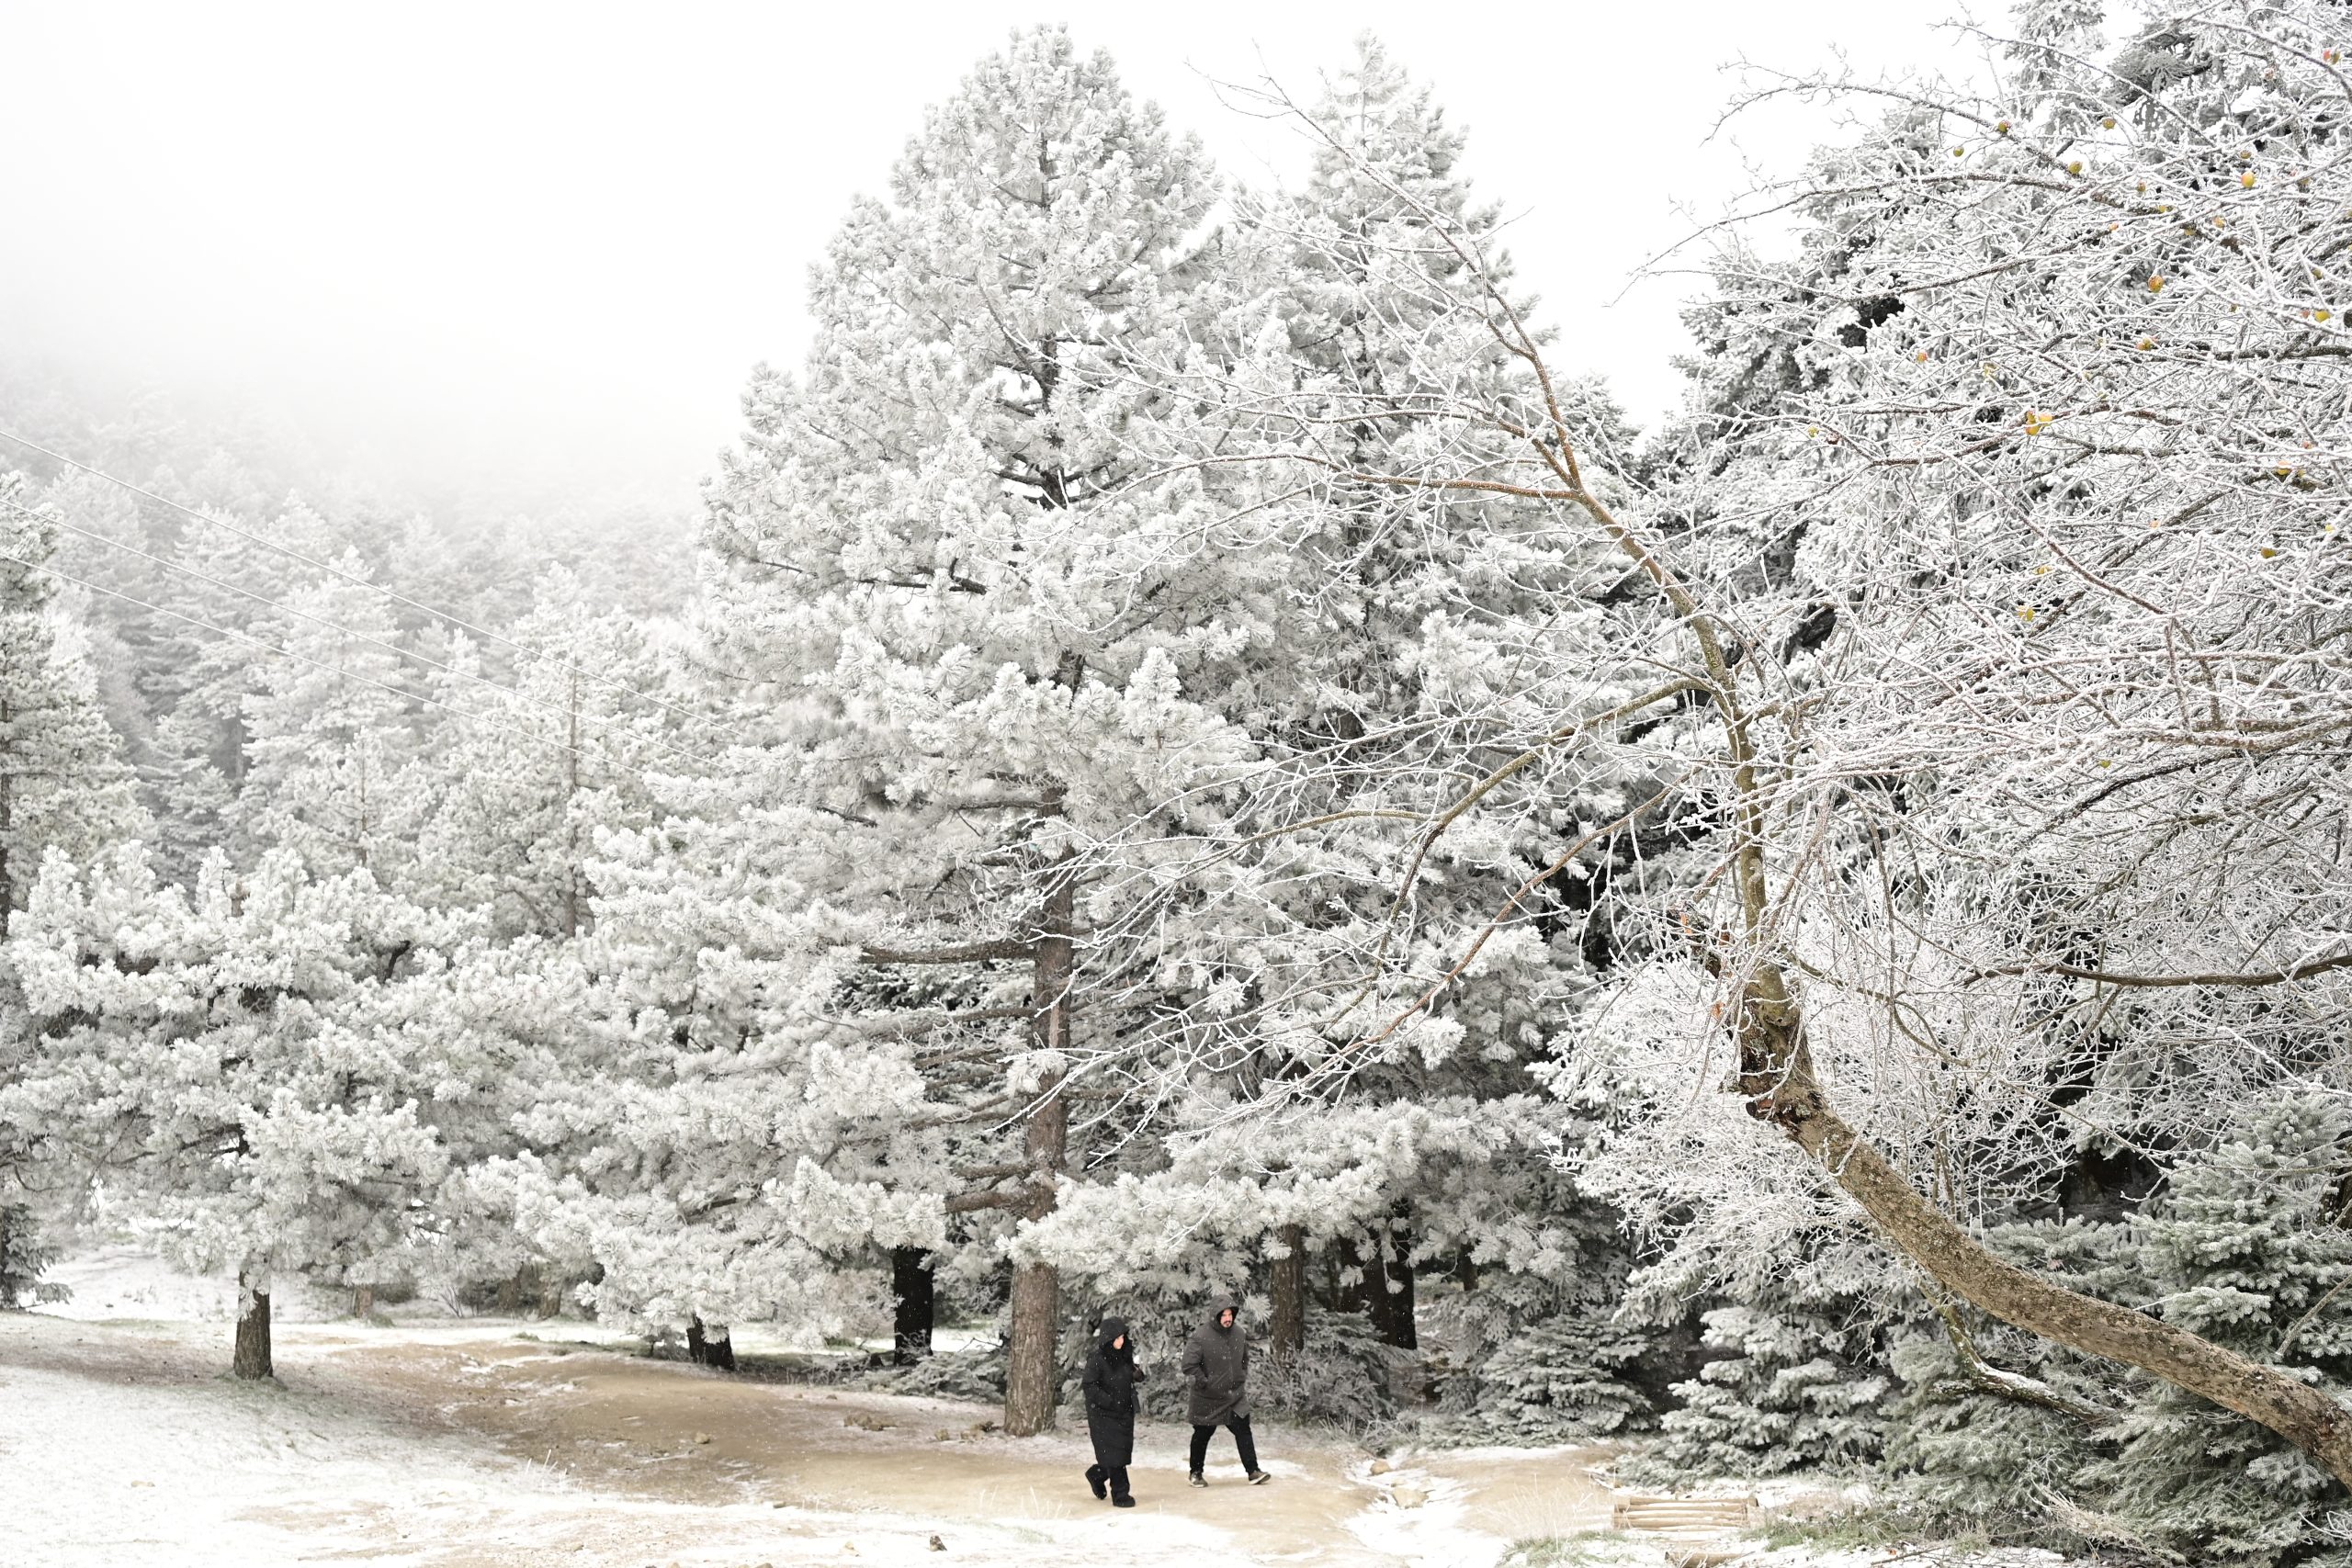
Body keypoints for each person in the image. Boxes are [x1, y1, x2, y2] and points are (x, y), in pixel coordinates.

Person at [1182, 1297, 1268, 1486]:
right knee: (1202, 1434)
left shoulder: (1239, 1333)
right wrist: (1204, 1382)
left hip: (1234, 1395)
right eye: (1224, 1315)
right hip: (1208, 1396)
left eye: (1231, 1314)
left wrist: (1241, 1376)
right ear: (1216, 1316)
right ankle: (1195, 1473)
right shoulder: (1201, 1336)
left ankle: (1253, 1471)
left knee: (1243, 1429)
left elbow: (1244, 1359)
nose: (1228, 1318)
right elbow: (1188, 1365)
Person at [1080, 1314, 1142, 1507]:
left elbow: (1126, 1374)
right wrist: (1109, 1402)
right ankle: (1121, 1494)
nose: (1121, 1341)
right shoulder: (1097, 1359)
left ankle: (1097, 1474)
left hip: (1124, 1412)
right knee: (1115, 1455)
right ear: (1108, 1339)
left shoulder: (1124, 1356)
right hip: (1103, 1415)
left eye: (1123, 1337)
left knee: (1119, 1453)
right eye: (1117, 1338)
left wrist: (1136, 1374)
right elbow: (1090, 1386)